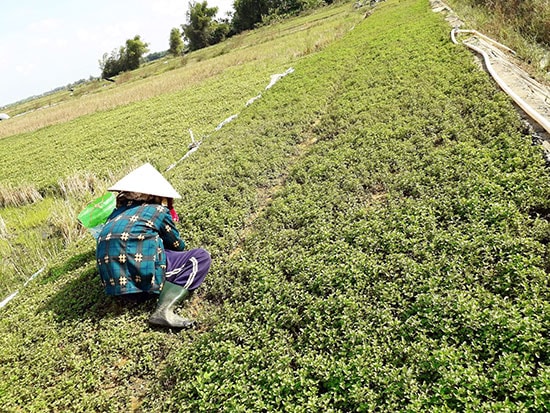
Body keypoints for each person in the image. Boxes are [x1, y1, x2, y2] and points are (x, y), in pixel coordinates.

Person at [95, 163, 211, 329]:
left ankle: (142, 292)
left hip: (115, 288)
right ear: (153, 195)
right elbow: (177, 245)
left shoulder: (115, 214)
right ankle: (164, 311)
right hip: (143, 283)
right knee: (199, 258)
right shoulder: (157, 210)